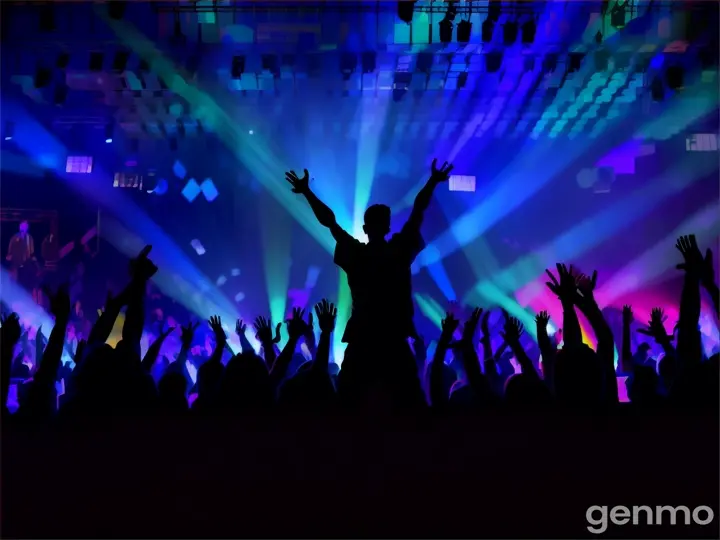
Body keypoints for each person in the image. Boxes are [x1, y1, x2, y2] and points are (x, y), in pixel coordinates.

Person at [285, 159, 454, 405]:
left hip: (363, 337)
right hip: (393, 338)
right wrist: (432, 182)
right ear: (387, 226)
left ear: (365, 228)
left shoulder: (357, 254)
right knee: (410, 402)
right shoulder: (398, 251)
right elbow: (418, 212)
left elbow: (330, 223)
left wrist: (308, 193)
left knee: (349, 400)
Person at [6, 221, 37, 288]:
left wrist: (33, 259)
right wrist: (9, 256)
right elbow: (10, 250)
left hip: (26, 264)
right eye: (23, 226)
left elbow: (31, 252)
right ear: (20, 227)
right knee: (15, 282)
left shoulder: (29, 238)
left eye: (26, 226)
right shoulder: (14, 238)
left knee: (26, 282)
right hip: (16, 264)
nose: (24, 228)